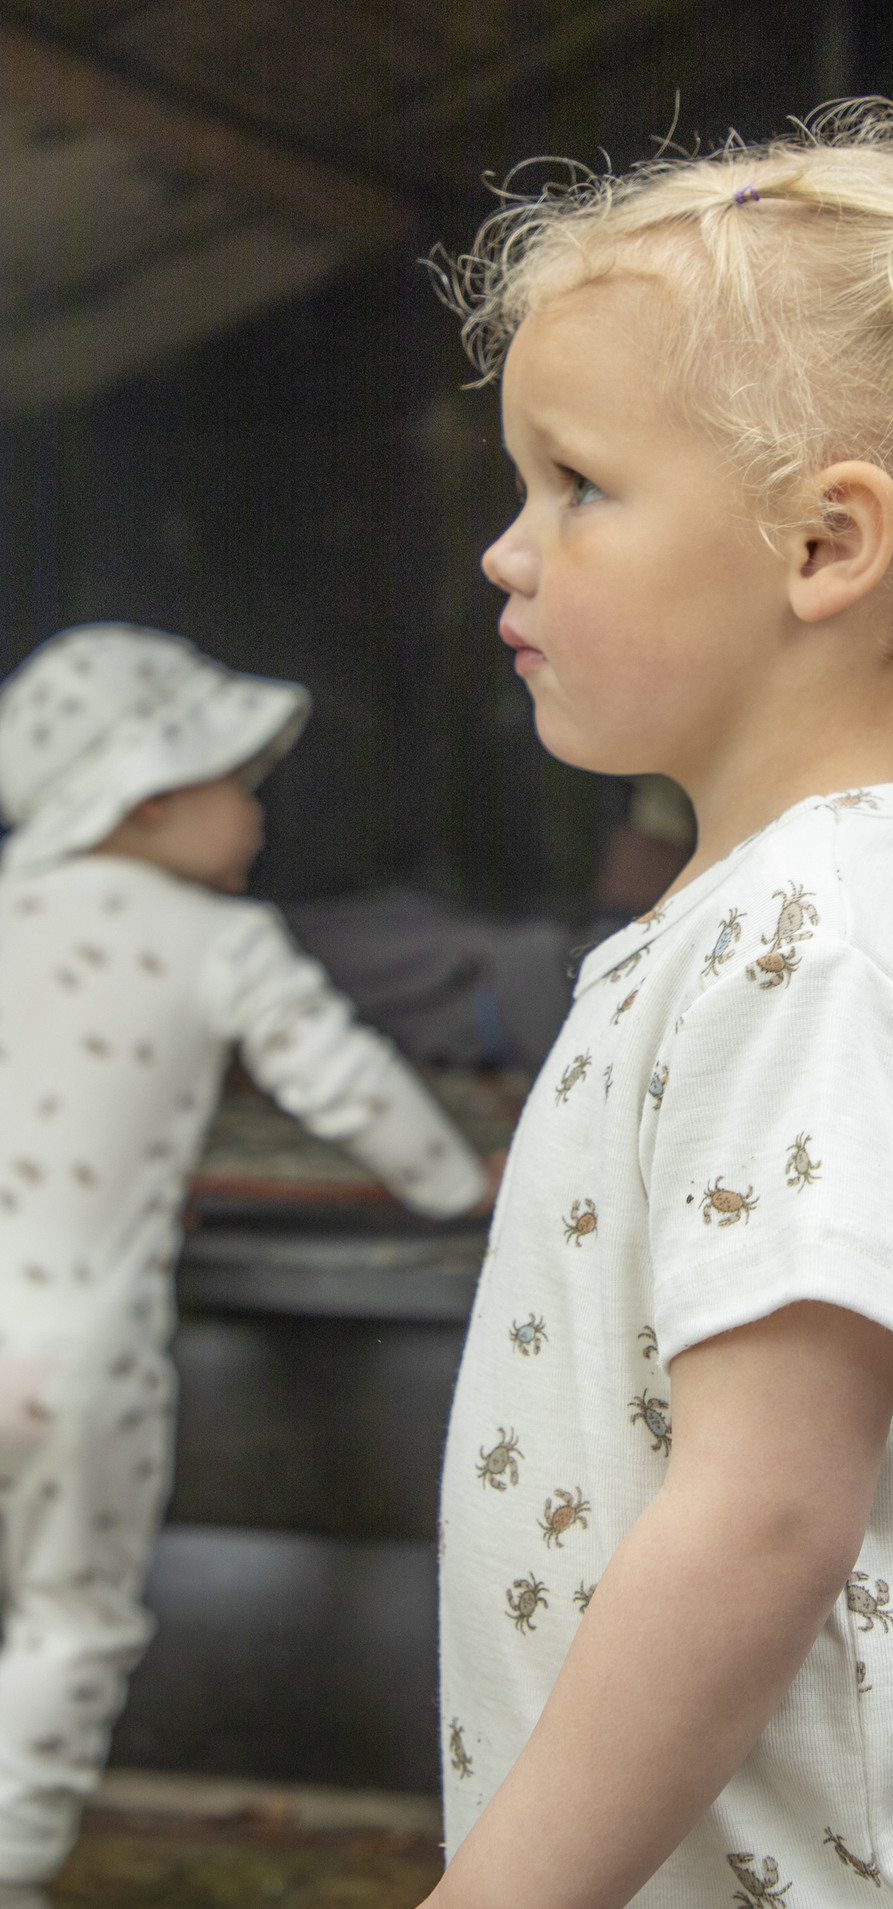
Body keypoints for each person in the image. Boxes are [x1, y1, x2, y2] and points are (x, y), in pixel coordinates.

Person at [423, 101, 893, 1908]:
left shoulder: (819, 941)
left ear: (824, 544)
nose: (506, 550)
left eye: (577, 485)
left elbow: (764, 1514)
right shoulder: (773, 909)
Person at [0, 624, 497, 1908]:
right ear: (145, 800)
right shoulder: (220, 939)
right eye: (236, 782)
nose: (259, 814)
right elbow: (346, 1082)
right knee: (71, 1614)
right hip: (75, 1355)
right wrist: (465, 1189)